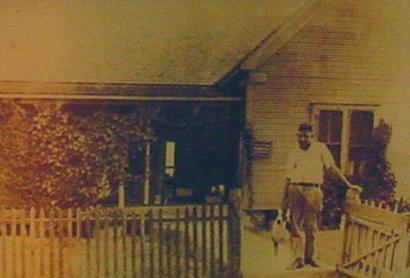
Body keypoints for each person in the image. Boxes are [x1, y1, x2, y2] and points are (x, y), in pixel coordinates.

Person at [282, 122, 361, 269]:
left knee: (311, 225)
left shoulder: (320, 149)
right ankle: (298, 259)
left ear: (312, 136)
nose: (303, 139)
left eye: (306, 136)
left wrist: (348, 184)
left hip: (313, 190)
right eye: (300, 136)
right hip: (295, 188)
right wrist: (283, 199)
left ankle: (309, 257)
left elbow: (331, 167)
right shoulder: (293, 153)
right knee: (294, 224)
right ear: (297, 136)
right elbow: (287, 177)